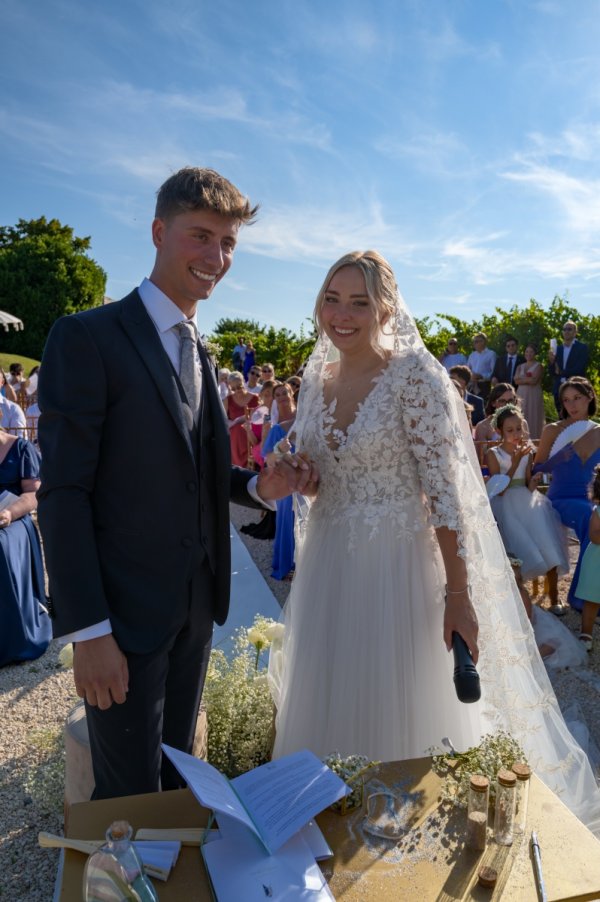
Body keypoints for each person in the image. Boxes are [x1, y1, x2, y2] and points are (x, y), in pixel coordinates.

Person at [268, 250, 600, 835]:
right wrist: (302, 472)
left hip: (397, 568)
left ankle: (403, 850)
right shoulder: (316, 377)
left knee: (401, 718)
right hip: (329, 562)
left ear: (386, 308)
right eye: (331, 299)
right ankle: (324, 836)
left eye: (359, 302)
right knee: (327, 700)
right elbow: (324, 470)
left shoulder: (414, 378)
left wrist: (459, 592)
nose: (341, 315)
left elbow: (446, 496)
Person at [37, 166, 316, 800]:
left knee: (177, 777)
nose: (216, 258)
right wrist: (90, 633)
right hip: (123, 619)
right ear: (159, 231)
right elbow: (63, 496)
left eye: (229, 244)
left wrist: (261, 489)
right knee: (129, 799)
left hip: (195, 609)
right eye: (201, 236)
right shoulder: (87, 337)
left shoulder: (200, 347)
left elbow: (202, 474)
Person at [486, 404, 568, 605]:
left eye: (519, 429)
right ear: (499, 431)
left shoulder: (527, 451)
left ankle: (555, 597)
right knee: (517, 548)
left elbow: (527, 483)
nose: (516, 434)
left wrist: (534, 480)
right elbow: (500, 488)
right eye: (510, 430)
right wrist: (515, 462)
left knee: (547, 543)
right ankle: (517, 600)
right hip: (505, 504)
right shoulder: (493, 453)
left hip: (527, 500)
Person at [534, 378, 600, 613]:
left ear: (590, 396)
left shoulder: (598, 431)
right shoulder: (553, 430)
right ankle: (580, 597)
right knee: (590, 518)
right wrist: (557, 459)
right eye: (566, 400)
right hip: (560, 498)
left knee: (593, 513)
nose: (572, 405)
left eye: (577, 398)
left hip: (590, 498)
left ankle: (594, 592)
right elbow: (536, 469)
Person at [0, 406, 51, 666]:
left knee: (1, 544)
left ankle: (11, 638)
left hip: (14, 518)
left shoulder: (20, 448)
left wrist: (8, 513)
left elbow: (32, 495)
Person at [262, 383, 297, 580]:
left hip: (309, 476)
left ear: (292, 394)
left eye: (285, 392)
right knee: (287, 521)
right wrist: (280, 450)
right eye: (278, 394)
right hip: (286, 482)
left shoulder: (306, 417)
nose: (282, 396)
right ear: (275, 399)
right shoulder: (275, 428)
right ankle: (288, 564)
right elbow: (267, 458)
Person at [576, 465, 600, 652]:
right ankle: (586, 632)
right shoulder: (597, 511)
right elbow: (594, 536)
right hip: (597, 561)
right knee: (592, 599)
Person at [548, 321, 589, 413]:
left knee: (575, 419)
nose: (566, 331)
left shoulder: (582, 348)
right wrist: (551, 362)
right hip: (559, 389)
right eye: (564, 329)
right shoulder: (557, 349)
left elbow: (579, 368)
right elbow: (552, 372)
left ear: (575, 332)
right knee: (561, 419)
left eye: (569, 329)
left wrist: (561, 372)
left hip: (575, 388)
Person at [224, 371, 259, 467]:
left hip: (251, 435)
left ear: (244, 382)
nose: (237, 390)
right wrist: (234, 422)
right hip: (235, 439)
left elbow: (260, 416)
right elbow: (224, 420)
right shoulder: (228, 400)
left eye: (239, 387)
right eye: (233, 389)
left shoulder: (255, 398)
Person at [514, 343, 545, 440]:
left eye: (531, 352)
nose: (528, 354)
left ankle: (535, 440)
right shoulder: (520, 366)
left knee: (533, 416)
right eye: (527, 351)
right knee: (521, 414)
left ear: (535, 353)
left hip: (533, 395)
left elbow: (534, 381)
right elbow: (516, 380)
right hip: (521, 394)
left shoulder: (539, 366)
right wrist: (527, 379)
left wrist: (522, 379)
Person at [466, 332, 496, 400]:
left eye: (477, 341)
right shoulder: (472, 355)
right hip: (472, 385)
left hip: (484, 385)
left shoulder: (491, 354)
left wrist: (482, 376)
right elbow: (467, 369)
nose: (474, 344)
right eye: (474, 342)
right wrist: (471, 376)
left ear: (484, 342)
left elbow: (494, 372)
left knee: (482, 407)